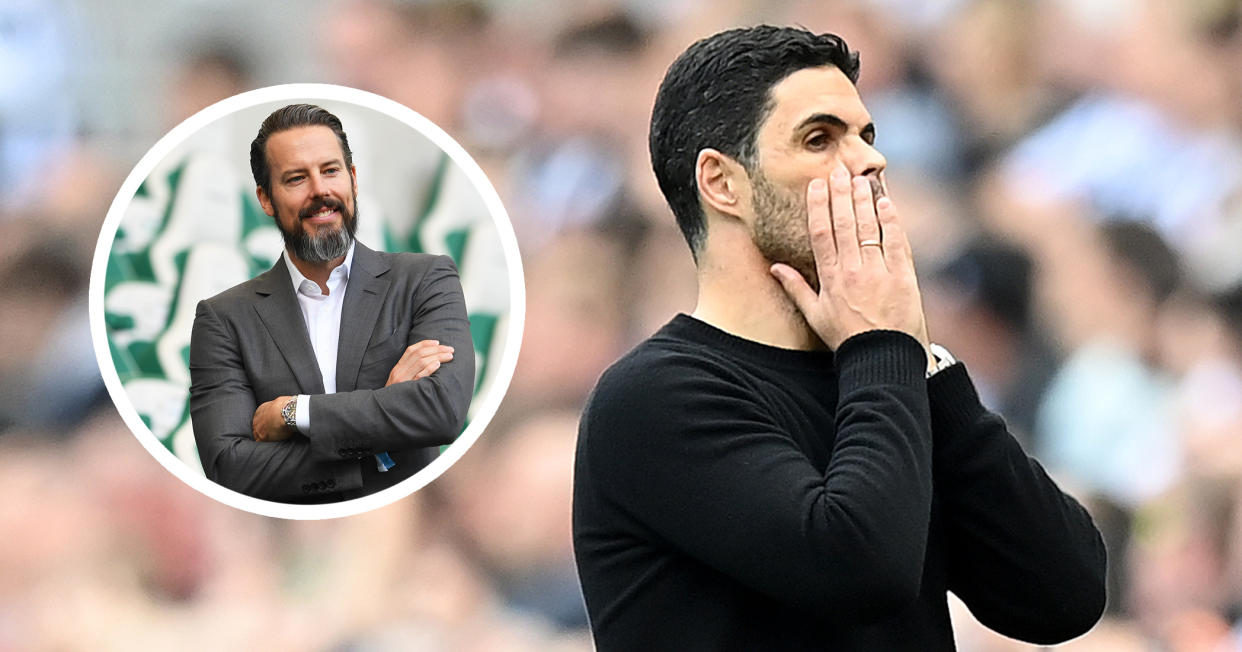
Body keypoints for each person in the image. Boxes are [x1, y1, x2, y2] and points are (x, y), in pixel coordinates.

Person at [572, 26, 1106, 650]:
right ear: (721, 183)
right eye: (820, 139)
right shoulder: (654, 397)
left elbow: (1063, 594)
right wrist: (882, 347)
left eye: (867, 136)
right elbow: (860, 566)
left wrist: (923, 365)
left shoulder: (885, 373)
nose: (869, 161)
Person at [188, 104, 474, 504]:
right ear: (266, 199)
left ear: (353, 179)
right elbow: (229, 467)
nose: (320, 191)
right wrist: (382, 428)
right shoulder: (224, 319)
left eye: (331, 171)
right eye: (295, 179)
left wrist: (293, 414)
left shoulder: (425, 280)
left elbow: (442, 411)